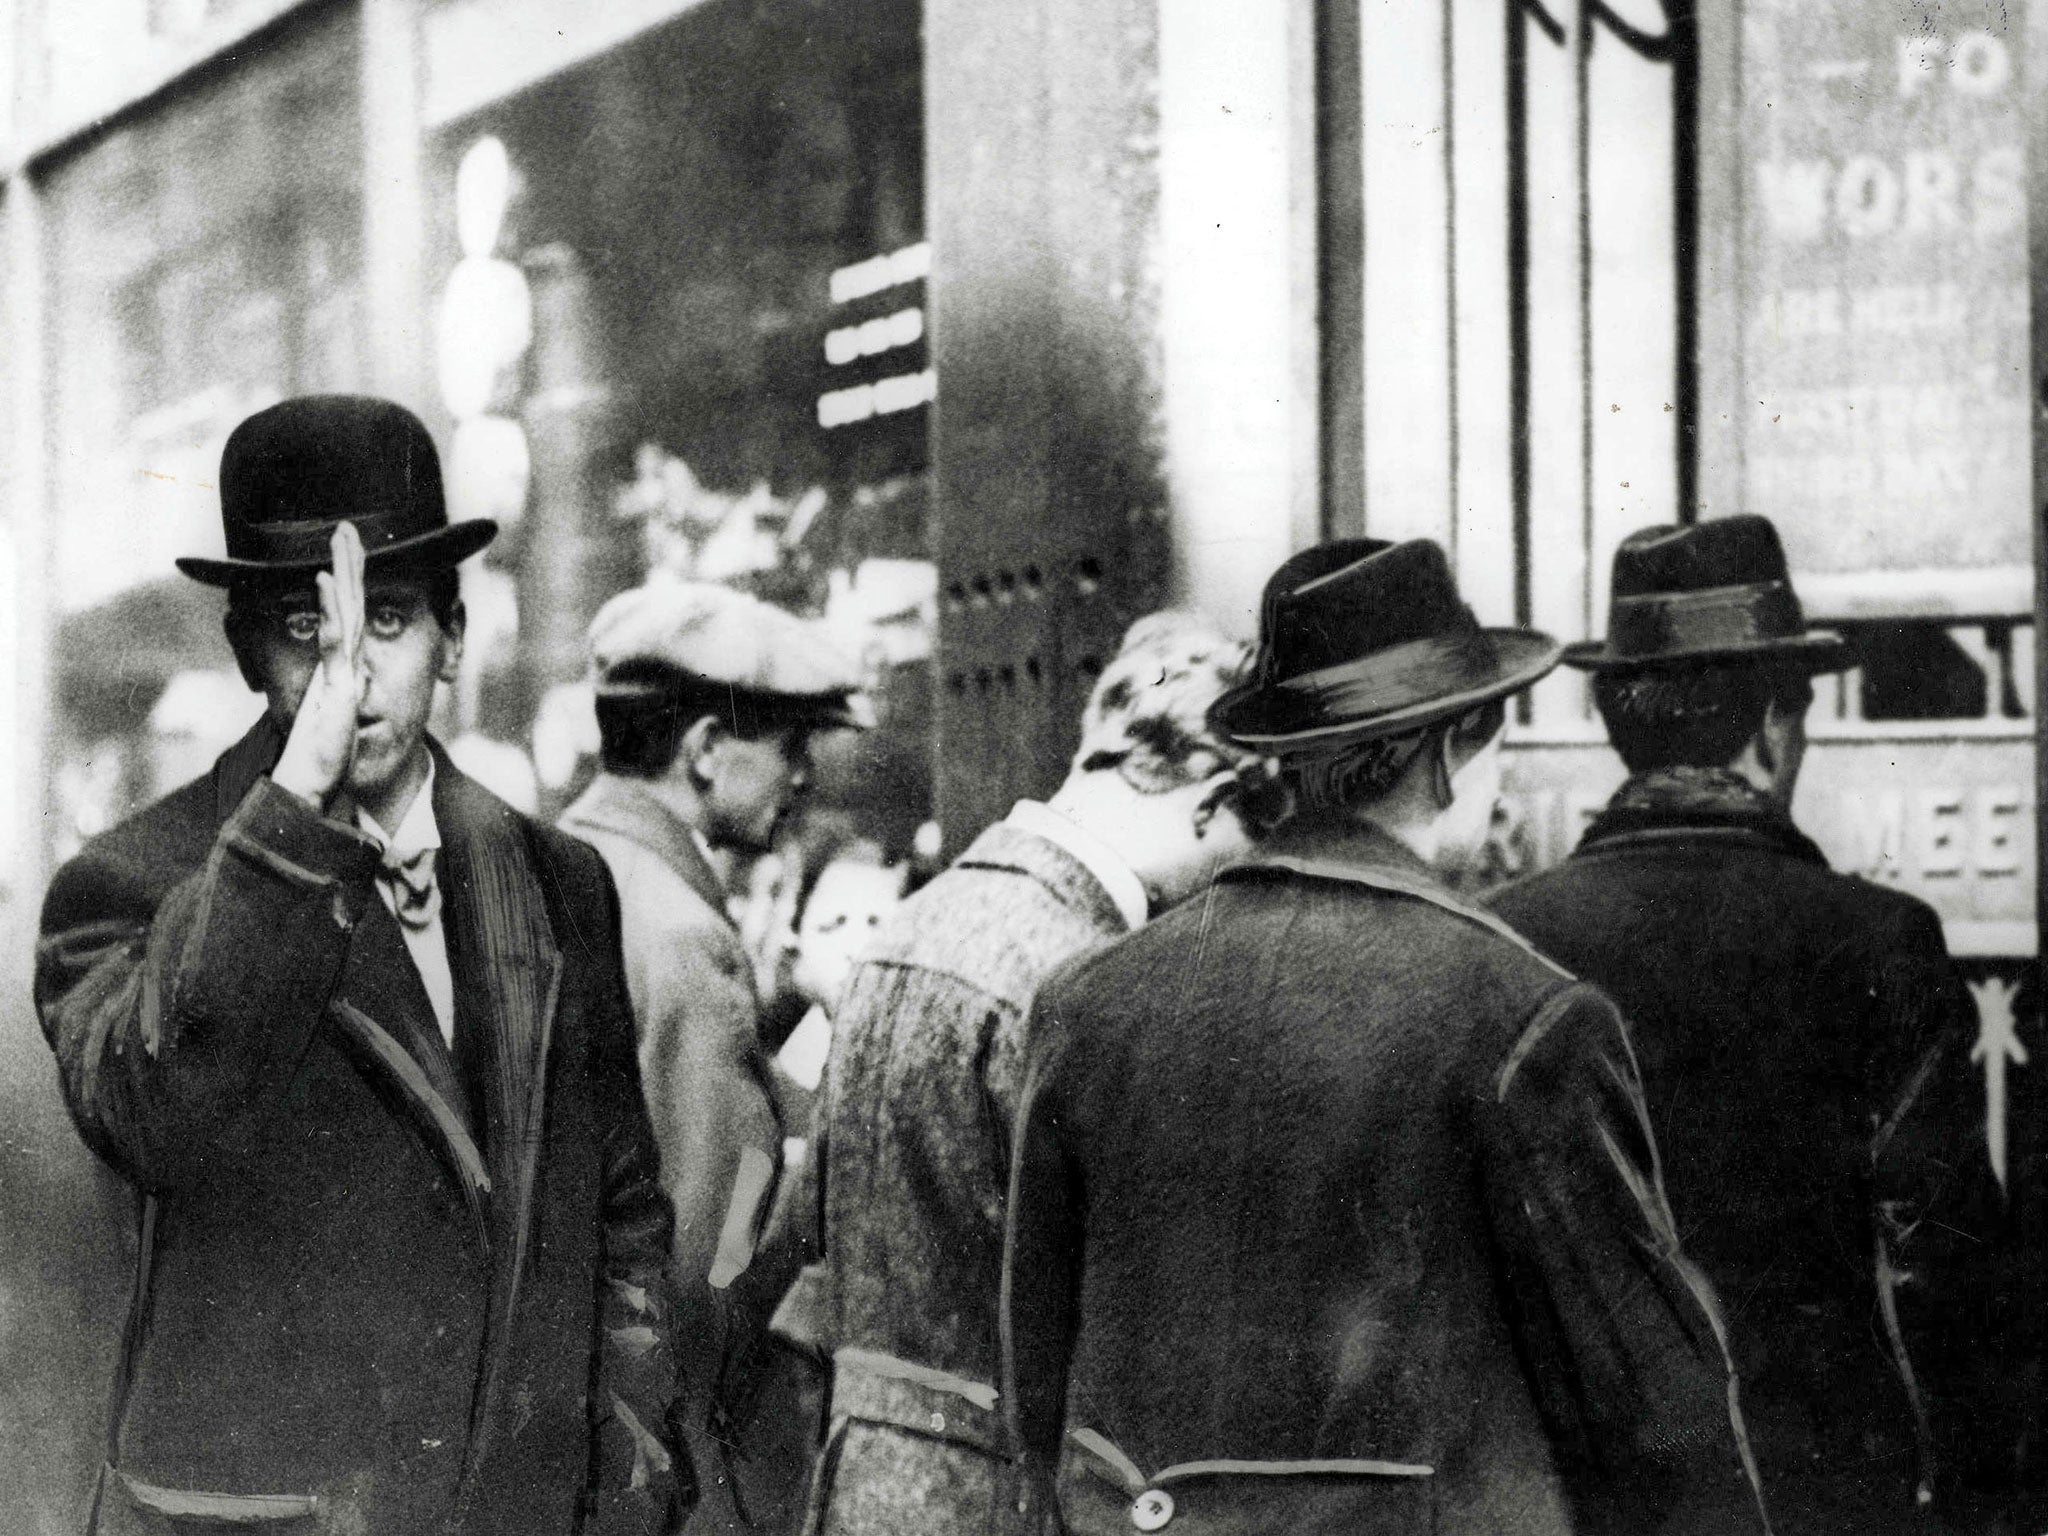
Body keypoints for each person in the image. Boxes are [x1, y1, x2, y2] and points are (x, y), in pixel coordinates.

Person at [1004, 539, 1768, 1536]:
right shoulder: (1518, 1016)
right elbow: (1656, 1419)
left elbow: (1036, 1398)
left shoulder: (1085, 1004)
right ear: (1455, 749)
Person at [36, 396, 685, 1536]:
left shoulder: (555, 880)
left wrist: (624, 1478)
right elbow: (153, 1112)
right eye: (305, 630)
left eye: (386, 620)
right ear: (247, 651)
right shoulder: (127, 886)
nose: (353, 672)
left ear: (453, 629)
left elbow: (623, 1210)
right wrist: (297, 806)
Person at [1487, 516, 2019, 1532]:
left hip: (1582, 1496)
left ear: (1614, 723)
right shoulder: (1877, 940)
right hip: (1818, 1492)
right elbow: (1940, 1267)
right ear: (1775, 724)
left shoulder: (1503, 938)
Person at [780, 612, 1260, 1536]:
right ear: (1213, 800)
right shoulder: (1088, 982)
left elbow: (814, 1232)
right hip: (1006, 1498)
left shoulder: (908, 928)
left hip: (859, 1483)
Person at [556, 580, 866, 1524]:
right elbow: (714, 1259)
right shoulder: (688, 940)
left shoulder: (558, 866)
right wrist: (810, 1174)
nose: (804, 775)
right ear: (701, 752)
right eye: (788, 744)